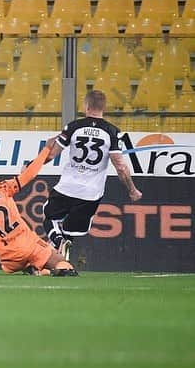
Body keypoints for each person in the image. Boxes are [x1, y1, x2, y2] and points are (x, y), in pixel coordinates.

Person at [42, 90, 142, 259]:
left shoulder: (74, 126)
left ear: (86, 106)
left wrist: (31, 165)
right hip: (91, 193)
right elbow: (121, 167)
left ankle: (57, 244)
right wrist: (132, 190)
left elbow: (51, 154)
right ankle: (60, 260)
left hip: (67, 187)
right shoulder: (112, 132)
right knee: (70, 229)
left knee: (49, 217)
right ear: (104, 108)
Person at [0, 139, 78, 276]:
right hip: (29, 246)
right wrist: (45, 150)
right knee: (63, 264)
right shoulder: (1, 189)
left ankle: (35, 269)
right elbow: (29, 174)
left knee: (9, 265)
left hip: (9, 260)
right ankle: (51, 270)